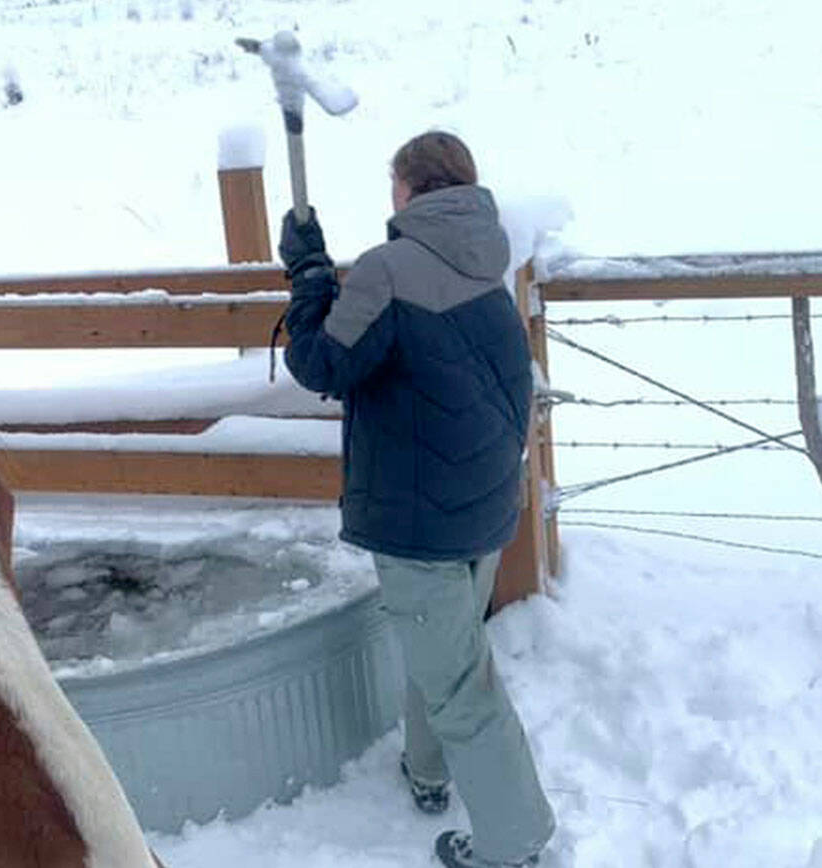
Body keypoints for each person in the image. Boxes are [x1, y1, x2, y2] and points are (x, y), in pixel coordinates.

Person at [278, 131, 555, 868]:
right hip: (483, 501)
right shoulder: (487, 258)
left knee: (461, 683)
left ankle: (515, 844)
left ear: (409, 188)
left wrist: (308, 273)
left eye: (392, 184)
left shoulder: (389, 269)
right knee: (448, 652)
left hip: (420, 516)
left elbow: (321, 363)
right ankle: (428, 773)